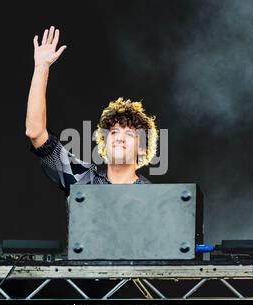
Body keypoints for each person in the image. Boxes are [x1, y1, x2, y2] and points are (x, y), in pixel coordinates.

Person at [25, 26, 159, 198]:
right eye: (114, 132)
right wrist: (41, 67)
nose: (119, 137)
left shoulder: (155, 197)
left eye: (130, 134)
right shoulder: (82, 180)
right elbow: (35, 133)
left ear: (142, 148)